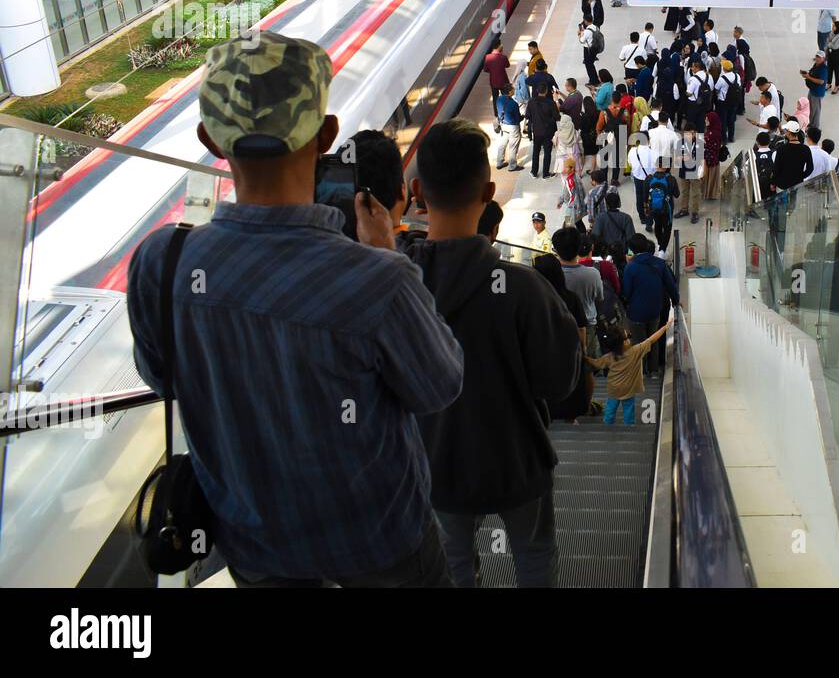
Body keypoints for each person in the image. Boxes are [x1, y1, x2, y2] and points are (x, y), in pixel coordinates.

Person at [127, 33, 465, 588]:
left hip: (255, 551)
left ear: (210, 139)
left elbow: (162, 377)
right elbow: (438, 387)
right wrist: (388, 255)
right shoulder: (379, 278)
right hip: (383, 551)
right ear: (328, 134)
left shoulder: (162, 264)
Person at [401, 119, 581, 589]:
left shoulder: (396, 284)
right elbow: (559, 384)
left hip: (437, 465)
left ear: (418, 191)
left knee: (455, 564)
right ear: (488, 191)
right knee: (535, 559)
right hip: (518, 461)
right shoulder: (524, 288)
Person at [532, 253, 596, 423]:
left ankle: (546, 416)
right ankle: (572, 416)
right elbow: (581, 327)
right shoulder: (570, 298)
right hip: (568, 350)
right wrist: (582, 350)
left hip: (542, 352)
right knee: (571, 382)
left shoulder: (533, 299)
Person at [590, 321, 670, 425]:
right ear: (625, 342)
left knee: (610, 410)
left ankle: (608, 426)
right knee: (629, 411)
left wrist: (584, 357)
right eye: (628, 336)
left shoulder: (609, 357)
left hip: (613, 390)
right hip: (629, 391)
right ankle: (629, 426)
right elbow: (651, 340)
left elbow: (596, 364)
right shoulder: (636, 351)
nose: (630, 337)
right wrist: (665, 327)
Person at [621, 234, 679, 372]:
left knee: (638, 344)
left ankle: (640, 373)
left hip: (636, 314)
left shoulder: (631, 267)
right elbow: (671, 285)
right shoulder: (659, 263)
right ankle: (653, 372)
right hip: (655, 311)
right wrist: (676, 302)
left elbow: (626, 292)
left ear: (632, 250)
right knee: (653, 340)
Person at [553, 226, 604, 356]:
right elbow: (599, 298)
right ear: (578, 249)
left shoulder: (551, 275)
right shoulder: (593, 274)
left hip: (559, 324)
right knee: (587, 362)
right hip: (588, 324)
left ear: (556, 251)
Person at [645, 154, 679, 254]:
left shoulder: (649, 179)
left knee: (658, 225)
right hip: (667, 208)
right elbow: (677, 194)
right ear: (666, 166)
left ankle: (660, 244)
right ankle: (662, 251)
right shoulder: (671, 179)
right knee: (667, 228)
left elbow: (645, 196)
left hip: (654, 208)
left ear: (656, 165)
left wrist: (646, 208)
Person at [526, 85, 560, 178]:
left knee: (536, 151)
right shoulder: (550, 103)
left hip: (537, 131)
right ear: (546, 91)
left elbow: (528, 116)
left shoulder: (531, 102)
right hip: (548, 131)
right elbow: (557, 117)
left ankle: (534, 171)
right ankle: (545, 174)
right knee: (547, 152)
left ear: (537, 90)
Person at [772, 120, 814, 191]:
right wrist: (801, 177)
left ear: (789, 133)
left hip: (782, 184)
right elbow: (810, 168)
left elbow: (776, 168)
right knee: (793, 201)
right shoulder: (806, 149)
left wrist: (773, 182)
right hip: (796, 184)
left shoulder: (782, 148)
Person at [629, 134, 658, 229]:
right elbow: (656, 166)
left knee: (639, 196)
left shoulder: (633, 151)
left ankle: (642, 217)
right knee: (650, 198)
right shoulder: (653, 152)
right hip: (650, 178)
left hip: (638, 178)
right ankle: (649, 221)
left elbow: (630, 163)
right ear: (648, 139)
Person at [495, 88, 524, 171]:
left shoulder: (499, 99)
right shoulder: (513, 103)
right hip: (513, 127)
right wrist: (522, 117)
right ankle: (512, 166)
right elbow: (517, 118)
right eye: (513, 89)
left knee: (503, 143)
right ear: (510, 92)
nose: (514, 90)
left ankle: (499, 162)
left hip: (503, 124)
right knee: (513, 146)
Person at [800, 51, 829, 131]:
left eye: (819, 57)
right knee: (810, 108)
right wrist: (807, 74)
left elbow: (821, 81)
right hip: (812, 90)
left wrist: (808, 77)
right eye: (817, 56)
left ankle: (814, 128)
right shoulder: (816, 65)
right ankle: (810, 124)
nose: (817, 58)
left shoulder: (823, 68)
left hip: (817, 92)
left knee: (815, 111)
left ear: (823, 58)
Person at [483, 39, 511, 117]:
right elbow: (507, 65)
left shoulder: (487, 57)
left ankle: (497, 115)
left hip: (493, 81)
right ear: (499, 46)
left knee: (495, 98)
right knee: (506, 97)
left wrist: (492, 70)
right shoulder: (503, 57)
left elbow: (485, 69)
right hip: (503, 81)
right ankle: (507, 113)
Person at [702, 110, 724, 201]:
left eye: (708, 120)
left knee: (710, 177)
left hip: (711, 159)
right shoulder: (713, 129)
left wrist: (705, 143)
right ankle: (709, 193)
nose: (706, 121)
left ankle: (710, 194)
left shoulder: (713, 133)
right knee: (710, 177)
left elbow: (713, 146)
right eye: (706, 119)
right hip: (711, 158)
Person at [553, 117, 582, 182]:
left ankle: (567, 189)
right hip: (574, 159)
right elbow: (580, 144)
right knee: (575, 177)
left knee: (564, 178)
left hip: (562, 159)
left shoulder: (557, 134)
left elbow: (555, 144)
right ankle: (574, 190)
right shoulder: (576, 133)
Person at [578, 12, 602, 87]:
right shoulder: (596, 27)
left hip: (588, 50)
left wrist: (580, 34)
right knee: (591, 64)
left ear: (585, 21)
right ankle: (595, 79)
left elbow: (581, 41)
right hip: (595, 48)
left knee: (589, 66)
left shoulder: (587, 31)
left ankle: (593, 81)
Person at [825, 20, 839, 94]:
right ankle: (828, 83)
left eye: (834, 25)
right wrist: (830, 43)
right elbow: (828, 41)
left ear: (838, 28)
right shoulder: (832, 32)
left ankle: (837, 86)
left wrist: (830, 43)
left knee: (836, 70)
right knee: (829, 69)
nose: (832, 26)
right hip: (831, 52)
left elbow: (835, 46)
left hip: (837, 54)